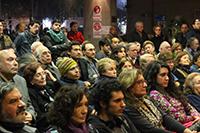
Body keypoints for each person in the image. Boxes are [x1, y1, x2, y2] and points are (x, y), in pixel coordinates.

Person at [119, 68, 194, 133]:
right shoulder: (128, 107)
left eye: (144, 81)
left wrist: (187, 131)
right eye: (139, 82)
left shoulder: (146, 100)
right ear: (128, 86)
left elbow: (165, 118)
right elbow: (150, 130)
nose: (145, 85)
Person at [144, 61, 200, 131]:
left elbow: (189, 107)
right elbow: (175, 117)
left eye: (168, 75)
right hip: (180, 128)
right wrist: (193, 117)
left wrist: (197, 116)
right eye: (162, 75)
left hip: (192, 123)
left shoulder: (171, 90)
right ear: (153, 77)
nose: (167, 78)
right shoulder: (154, 94)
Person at [0, 48, 36, 124]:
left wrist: (31, 114)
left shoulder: (21, 80)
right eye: (10, 60)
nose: (16, 63)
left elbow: (29, 104)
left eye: (15, 60)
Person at [23, 62, 59, 132]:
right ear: (31, 80)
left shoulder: (48, 86)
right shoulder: (30, 92)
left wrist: (53, 78)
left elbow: (64, 92)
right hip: (48, 126)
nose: (43, 77)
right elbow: (38, 117)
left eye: (43, 73)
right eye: (38, 75)